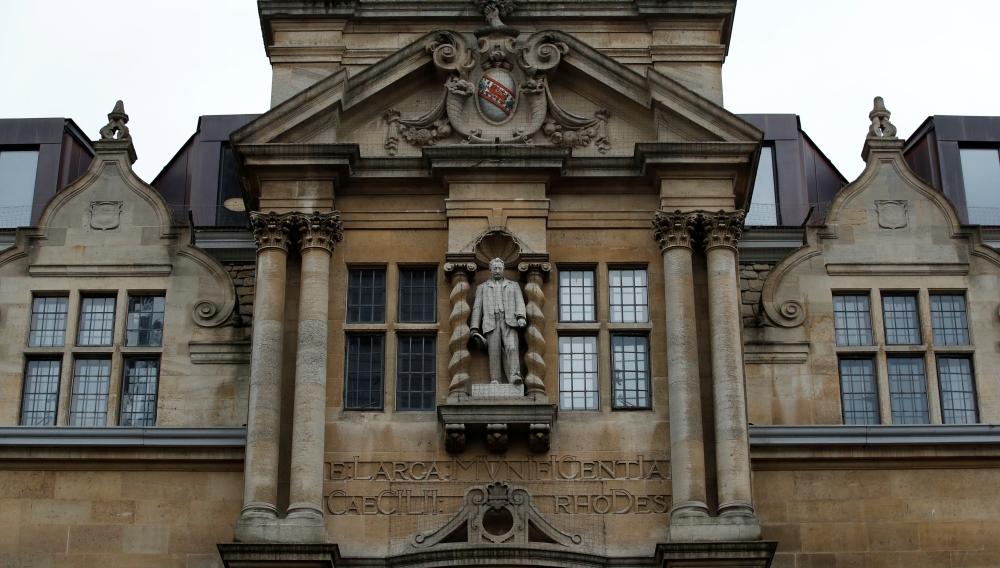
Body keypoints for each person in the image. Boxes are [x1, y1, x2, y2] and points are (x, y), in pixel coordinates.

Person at [470, 257, 527, 384]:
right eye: (495, 268)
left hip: (510, 321)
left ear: (503, 269)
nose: (497, 270)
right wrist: (474, 327)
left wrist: (521, 317)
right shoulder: (482, 287)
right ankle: (495, 379)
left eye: (500, 268)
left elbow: (520, 302)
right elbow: (477, 307)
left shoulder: (514, 285)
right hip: (491, 322)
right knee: (494, 352)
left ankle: (515, 375)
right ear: (490, 269)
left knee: (512, 347)